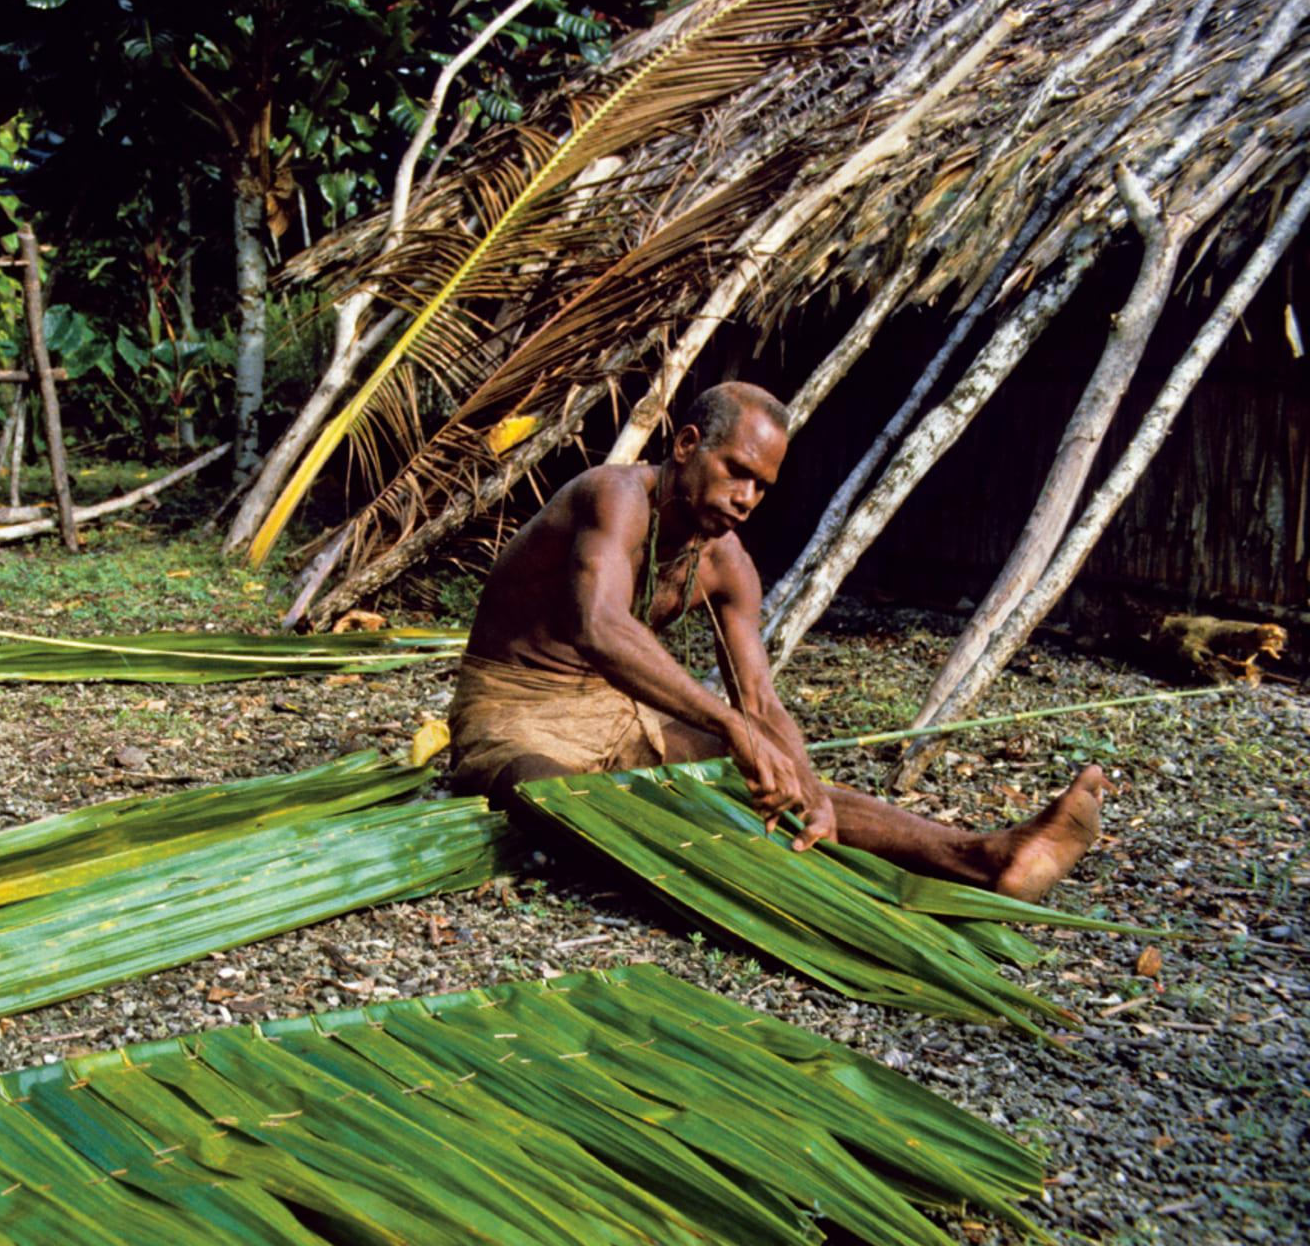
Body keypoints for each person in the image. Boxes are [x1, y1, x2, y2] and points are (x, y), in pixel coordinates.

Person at [447, 381, 1109, 903]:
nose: (746, 497)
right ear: (685, 444)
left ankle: (986, 857)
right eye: (736, 471)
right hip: (514, 717)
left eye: (762, 486)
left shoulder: (727, 563)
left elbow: (759, 699)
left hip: (620, 721)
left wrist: (808, 790)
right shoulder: (615, 496)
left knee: (777, 778)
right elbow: (602, 628)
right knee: (554, 797)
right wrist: (729, 726)